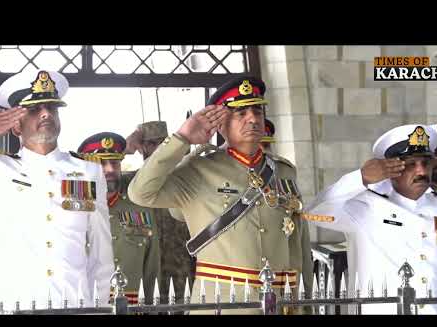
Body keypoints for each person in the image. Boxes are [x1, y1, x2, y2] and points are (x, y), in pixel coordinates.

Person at [127, 76, 313, 314]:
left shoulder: (284, 171)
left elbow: (298, 244)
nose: (253, 118)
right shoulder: (198, 169)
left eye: (257, 110)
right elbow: (140, 193)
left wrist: (304, 304)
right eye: (240, 113)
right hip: (222, 305)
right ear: (220, 122)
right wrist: (182, 139)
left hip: (281, 304)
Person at [0, 69, 113, 312]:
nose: (45, 113)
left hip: (73, 304)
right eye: (33, 109)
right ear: (15, 126)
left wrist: (100, 305)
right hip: (11, 304)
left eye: (51, 108)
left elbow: (101, 251)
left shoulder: (88, 172)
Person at [305, 124, 437, 314]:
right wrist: (360, 177)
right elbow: (314, 213)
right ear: (390, 169)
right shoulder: (364, 208)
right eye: (411, 164)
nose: (421, 171)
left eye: (426, 162)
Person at [78, 132, 159, 304]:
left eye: (115, 163)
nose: (110, 170)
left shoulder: (138, 201)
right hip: (89, 304)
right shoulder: (75, 207)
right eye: (101, 164)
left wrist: (152, 305)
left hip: (133, 306)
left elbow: (152, 261)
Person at [125, 121, 194, 305]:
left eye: (162, 143)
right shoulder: (132, 184)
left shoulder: (184, 182)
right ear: (142, 148)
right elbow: (99, 171)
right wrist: (127, 146)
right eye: (150, 144)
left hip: (182, 276)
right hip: (146, 278)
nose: (157, 149)